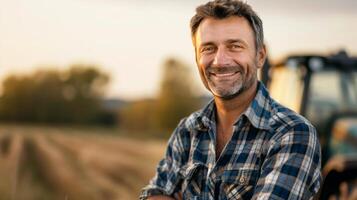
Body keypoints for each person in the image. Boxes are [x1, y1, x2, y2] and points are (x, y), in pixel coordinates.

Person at [140, 0, 322, 199]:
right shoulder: (188, 131)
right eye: (208, 48)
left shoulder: (292, 133)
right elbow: (155, 194)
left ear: (260, 56)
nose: (220, 61)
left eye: (234, 46)